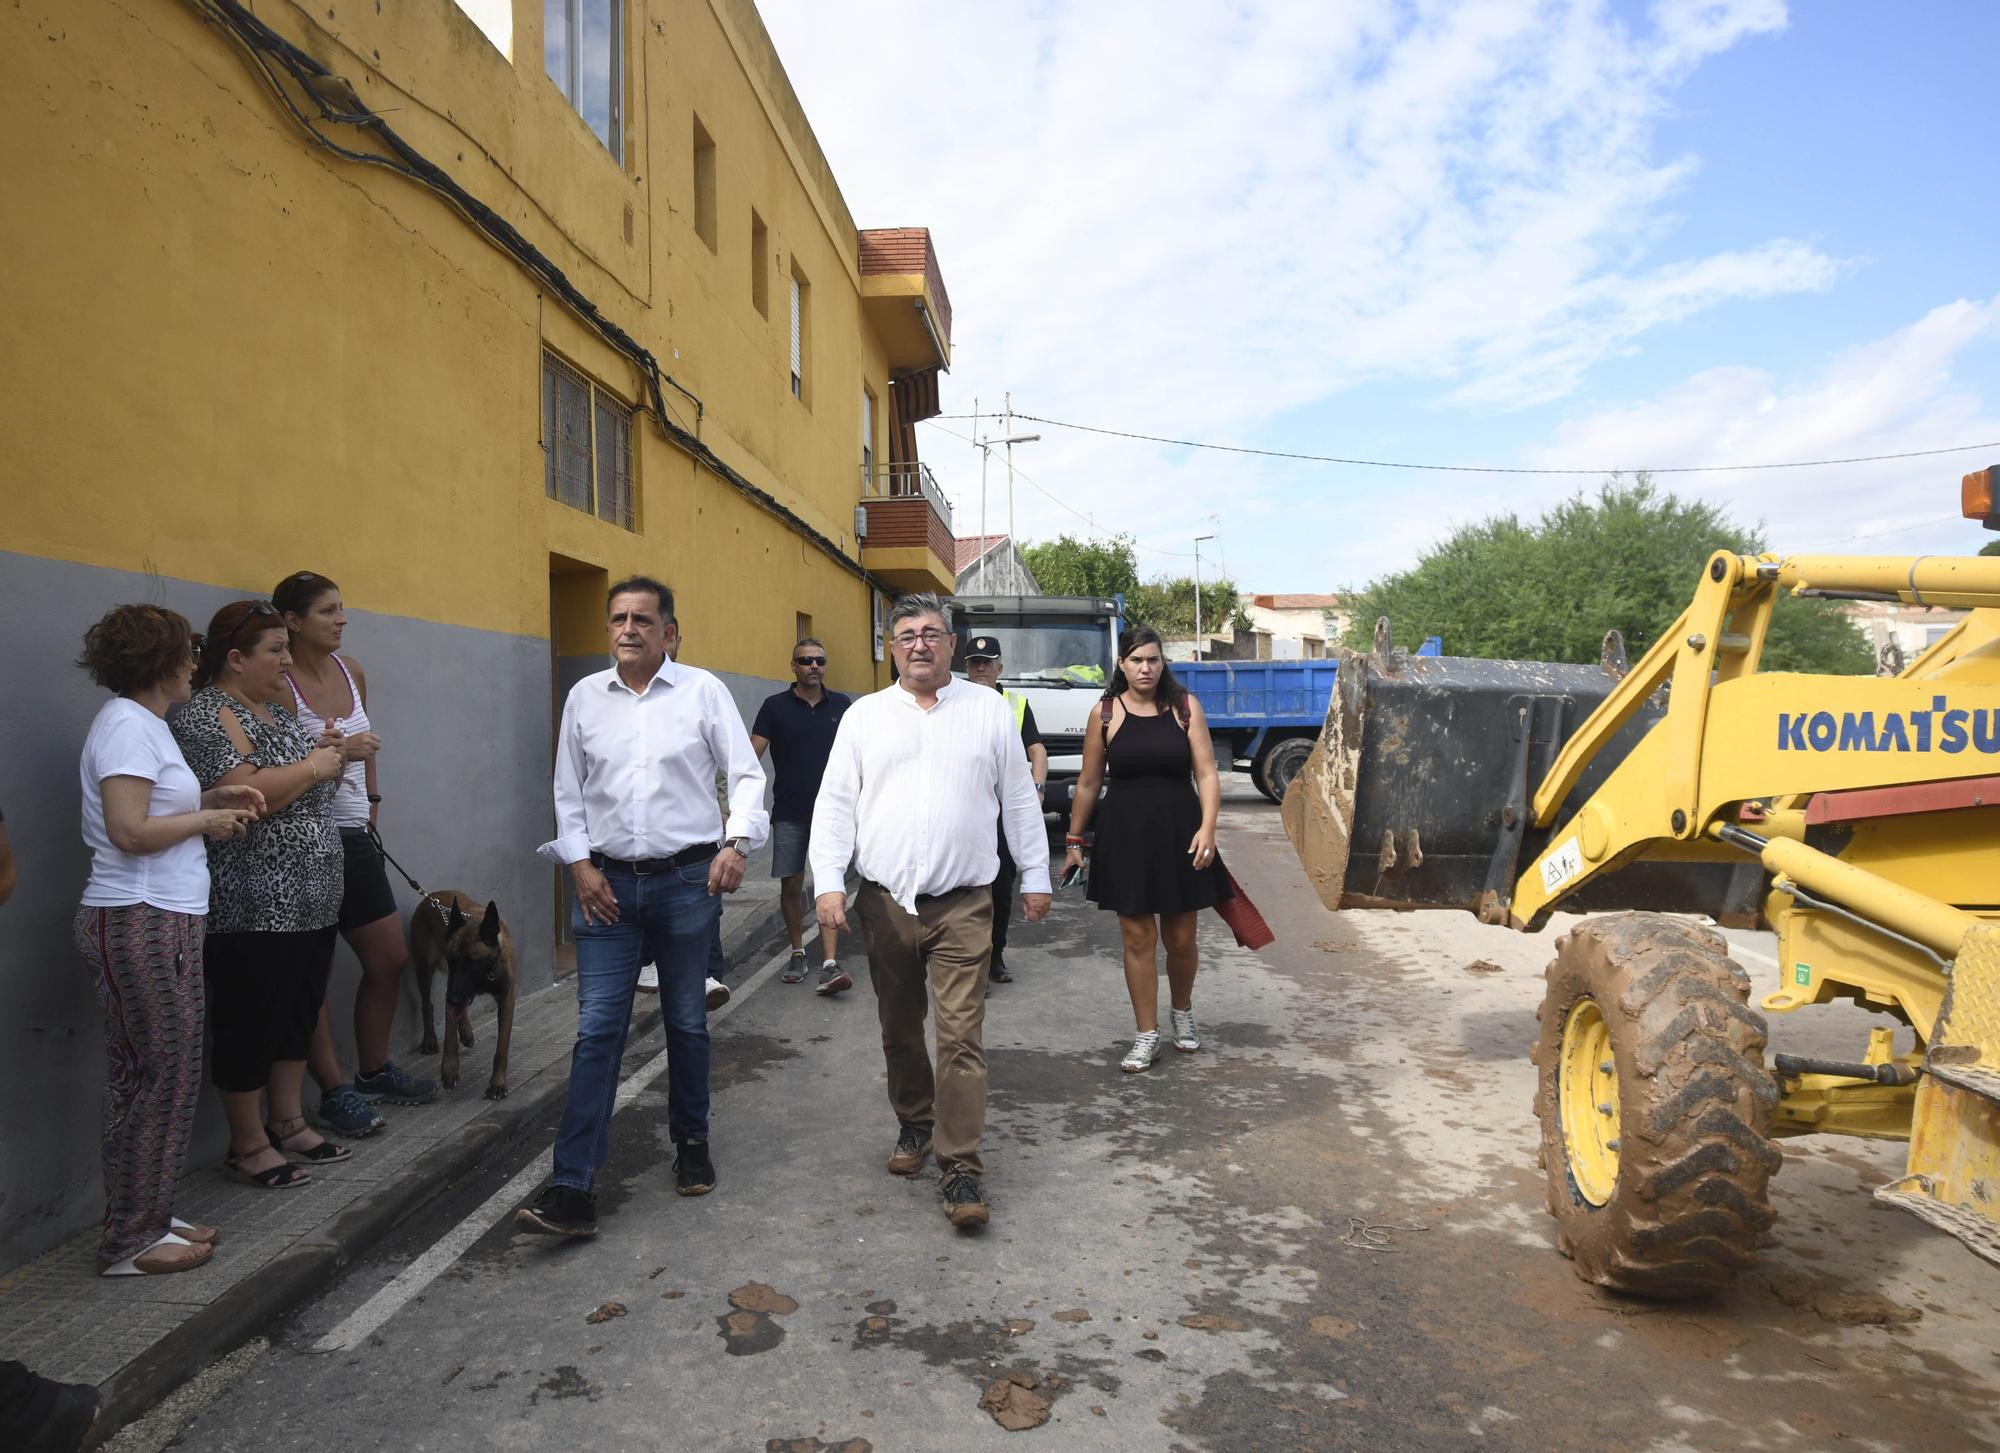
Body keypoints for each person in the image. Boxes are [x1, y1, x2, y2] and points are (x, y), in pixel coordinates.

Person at [517, 577, 768, 1238]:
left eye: (642, 619)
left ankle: (690, 1141)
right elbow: (567, 792)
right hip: (604, 888)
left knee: (686, 1021)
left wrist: (737, 843)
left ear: (669, 633)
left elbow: (746, 775)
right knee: (598, 1029)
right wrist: (578, 866)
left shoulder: (702, 692)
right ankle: (572, 1184)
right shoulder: (583, 699)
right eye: (618, 618)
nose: (628, 628)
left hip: (687, 881)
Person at [810, 593, 1050, 1229]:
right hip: (885, 903)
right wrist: (828, 883)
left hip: (965, 903)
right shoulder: (864, 717)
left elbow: (1020, 799)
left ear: (951, 644)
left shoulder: (989, 712)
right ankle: (914, 1124)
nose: (920, 643)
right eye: (908, 633)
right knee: (898, 1026)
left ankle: (961, 1163)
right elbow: (835, 804)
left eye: (933, 633)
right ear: (892, 647)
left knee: (961, 1036)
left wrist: (1036, 873)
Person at [73, 605, 263, 1276]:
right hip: (141, 915)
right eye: (188, 651)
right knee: (157, 1078)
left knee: (164, 1076)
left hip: (162, 913)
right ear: (159, 659)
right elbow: (128, 830)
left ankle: (148, 1214)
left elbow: (150, 811)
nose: (195, 661)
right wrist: (207, 819)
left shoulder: (143, 727)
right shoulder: (128, 727)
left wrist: (213, 794)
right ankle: (131, 1239)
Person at [172, 599, 350, 1189]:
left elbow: (305, 785)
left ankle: (289, 1119)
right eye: (274, 650)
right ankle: (248, 1145)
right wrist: (316, 768)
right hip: (253, 901)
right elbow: (248, 794)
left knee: (296, 1010)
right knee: (251, 1016)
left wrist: (327, 759)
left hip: (312, 895)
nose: (285, 660)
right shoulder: (204, 715)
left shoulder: (270, 712)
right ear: (234, 658)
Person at [273, 571, 430, 1138]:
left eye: (342, 608)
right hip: (302, 840)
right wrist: (343, 751)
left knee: (388, 957)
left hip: (355, 836)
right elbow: (283, 761)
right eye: (327, 611)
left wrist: (373, 801)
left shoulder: (351, 670)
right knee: (309, 973)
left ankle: (372, 1070)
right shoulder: (278, 682)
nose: (341, 619)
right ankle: (334, 1091)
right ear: (291, 621)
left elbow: (367, 749)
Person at [1063, 625, 1232, 1073]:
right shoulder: (1104, 714)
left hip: (1181, 832)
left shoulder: (1184, 708)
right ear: (1121, 664)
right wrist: (1074, 840)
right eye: (1136, 660)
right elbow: (1088, 782)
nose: (1145, 668)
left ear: (1163, 663)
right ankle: (1146, 1034)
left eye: (1153, 660)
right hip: (1125, 836)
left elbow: (1207, 773)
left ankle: (1182, 1011)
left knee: (1181, 939)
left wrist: (1209, 828)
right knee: (1138, 938)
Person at [636, 614, 733, 1014]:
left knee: (706, 903)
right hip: (646, 842)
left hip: (698, 839)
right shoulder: (608, 698)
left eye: (668, 637)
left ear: (674, 639)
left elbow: (725, 769)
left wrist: (732, 826)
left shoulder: (701, 690)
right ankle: (651, 964)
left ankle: (709, 975)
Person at [750, 637, 852, 994]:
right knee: (791, 884)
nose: (813, 666)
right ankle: (797, 951)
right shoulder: (774, 707)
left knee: (829, 883)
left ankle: (829, 962)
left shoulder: (841, 705)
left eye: (819, 661)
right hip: (790, 810)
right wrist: (739, 806)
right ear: (792, 666)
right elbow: (750, 760)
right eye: (806, 660)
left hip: (834, 813)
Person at [961, 635, 1048, 987]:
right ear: (966, 667)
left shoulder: (1016, 703)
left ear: (1000, 667)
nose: (980, 668)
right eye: (974, 662)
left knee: (999, 890)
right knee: (965, 891)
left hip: (1002, 815)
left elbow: (1037, 752)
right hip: (967, 812)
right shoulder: (952, 701)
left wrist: (1037, 791)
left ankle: (994, 956)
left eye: (988, 662)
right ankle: (970, 962)